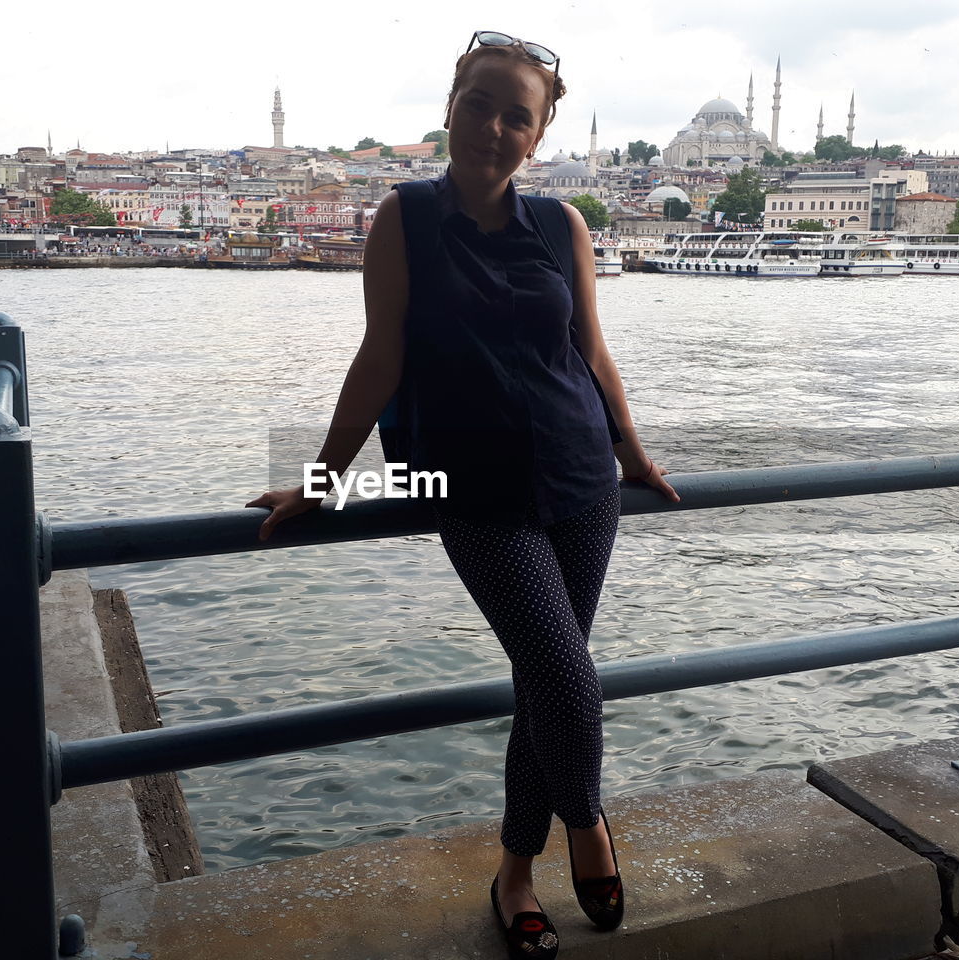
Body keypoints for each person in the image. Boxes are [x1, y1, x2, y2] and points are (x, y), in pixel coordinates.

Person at [245, 30, 678, 960]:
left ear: (540, 132)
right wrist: (322, 484)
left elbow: (591, 353)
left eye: (514, 114)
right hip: (471, 491)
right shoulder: (404, 218)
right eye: (477, 103)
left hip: (579, 480)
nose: (491, 126)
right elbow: (380, 357)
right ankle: (588, 827)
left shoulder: (562, 227)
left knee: (547, 687)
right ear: (450, 107)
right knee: (567, 679)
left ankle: (514, 877)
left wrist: (633, 453)